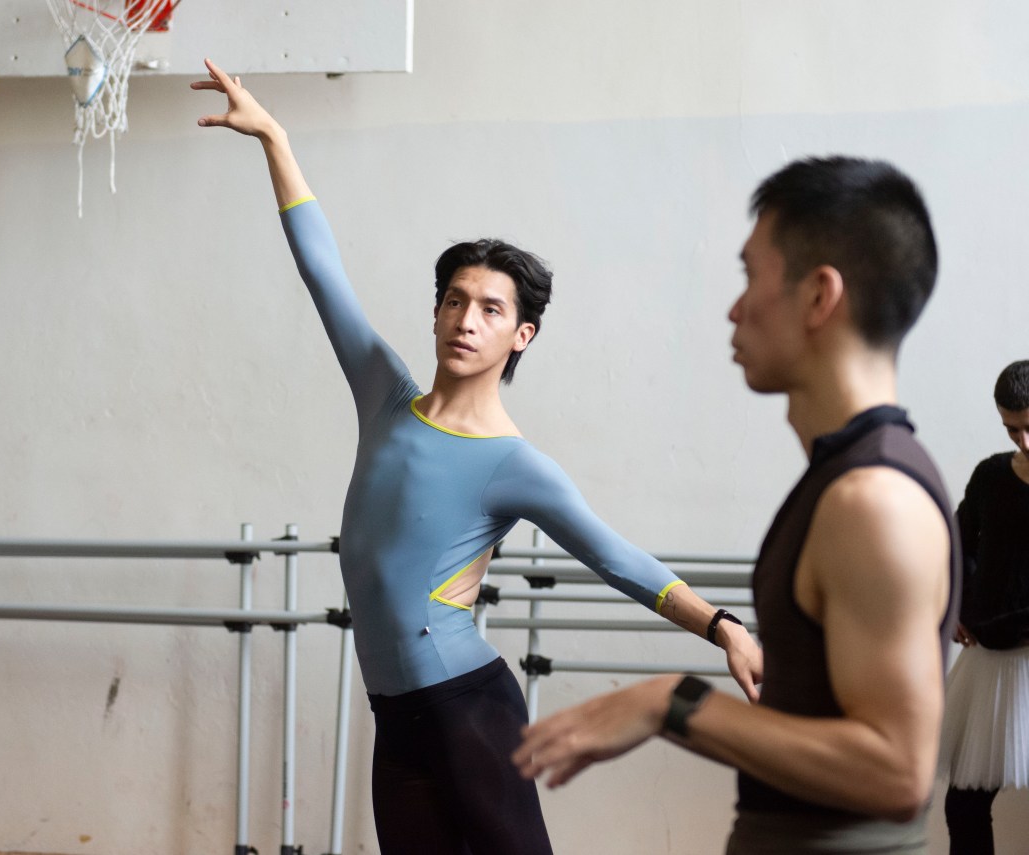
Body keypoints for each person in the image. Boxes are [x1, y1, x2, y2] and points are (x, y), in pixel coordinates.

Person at [191, 58, 762, 854]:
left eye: (490, 308)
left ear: (520, 334)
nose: (466, 318)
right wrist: (276, 139)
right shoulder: (385, 398)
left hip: (469, 708)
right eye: (454, 300)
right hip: (396, 716)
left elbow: (616, 557)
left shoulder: (513, 463)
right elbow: (323, 272)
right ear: (435, 313)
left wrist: (724, 626)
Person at [514, 156, 962, 855]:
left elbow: (896, 770)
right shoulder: (850, 477)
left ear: (820, 296)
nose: (734, 307)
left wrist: (672, 702)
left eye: (751, 276)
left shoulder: (874, 500)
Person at [939, 359, 1029, 855]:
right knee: (965, 804)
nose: (1024, 442)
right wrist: (954, 605)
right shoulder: (992, 477)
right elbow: (958, 542)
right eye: (1012, 429)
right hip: (992, 661)